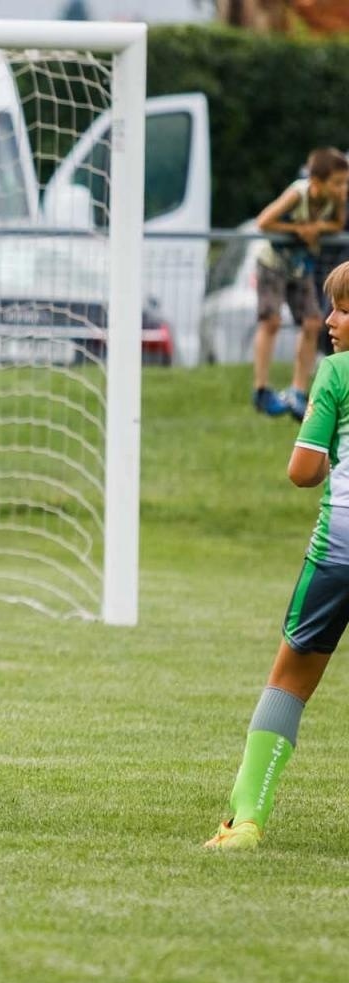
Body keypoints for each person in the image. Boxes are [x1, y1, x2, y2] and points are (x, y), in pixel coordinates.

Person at [207, 260, 349, 849]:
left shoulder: (336, 373)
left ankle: (246, 823)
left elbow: (301, 471)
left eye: (343, 308)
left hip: (339, 549)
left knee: (289, 680)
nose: (331, 322)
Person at [252, 147, 349, 420]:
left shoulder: (336, 200)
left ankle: (298, 389)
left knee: (312, 322)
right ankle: (261, 390)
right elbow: (264, 221)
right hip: (272, 263)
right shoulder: (299, 193)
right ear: (317, 182)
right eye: (338, 183)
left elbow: (338, 224)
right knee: (270, 321)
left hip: (299, 266)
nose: (344, 189)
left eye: (346, 183)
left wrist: (316, 229)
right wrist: (297, 229)